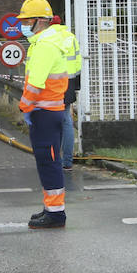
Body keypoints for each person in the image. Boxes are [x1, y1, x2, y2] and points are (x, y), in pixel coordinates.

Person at [16, 0, 75, 229]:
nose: (23, 24)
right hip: (47, 112)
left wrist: (24, 107)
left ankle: (56, 214)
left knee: (49, 162)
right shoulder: (46, 42)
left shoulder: (45, 45)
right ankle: (51, 209)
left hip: (44, 112)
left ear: (39, 21)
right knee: (47, 161)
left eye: (26, 20)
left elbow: (35, 84)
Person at [54, 17, 82, 170]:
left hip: (54, 84)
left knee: (52, 122)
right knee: (67, 121)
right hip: (69, 83)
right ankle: (67, 162)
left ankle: (54, 160)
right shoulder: (71, 38)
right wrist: (76, 85)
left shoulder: (48, 38)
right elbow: (78, 63)